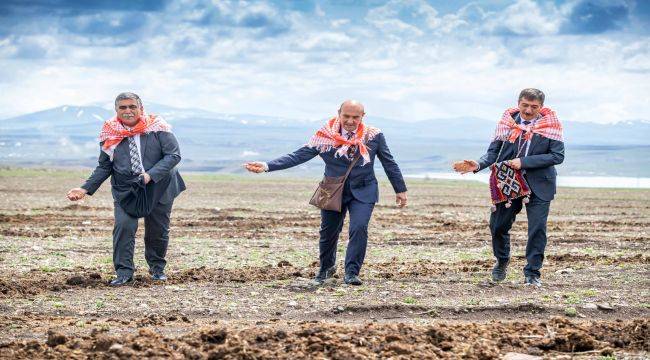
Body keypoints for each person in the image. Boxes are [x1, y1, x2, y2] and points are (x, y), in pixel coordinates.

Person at [245, 100, 408, 286]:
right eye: (346, 116)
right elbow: (298, 155)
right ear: (339, 113)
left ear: (363, 116)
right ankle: (326, 268)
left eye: (355, 117)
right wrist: (267, 166)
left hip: (364, 190)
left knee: (359, 228)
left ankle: (352, 273)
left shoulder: (374, 136)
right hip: (332, 190)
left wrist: (400, 189)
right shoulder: (325, 135)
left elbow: (389, 162)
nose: (350, 121)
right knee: (328, 232)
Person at [67, 92, 186, 286]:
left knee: (157, 230)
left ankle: (157, 269)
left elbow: (173, 156)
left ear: (141, 108)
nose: (128, 111)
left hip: (160, 185)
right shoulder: (110, 133)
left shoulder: (158, 127)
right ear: (116, 110)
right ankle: (124, 273)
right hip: (127, 189)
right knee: (124, 226)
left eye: (132, 106)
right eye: (123, 107)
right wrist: (84, 189)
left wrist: (149, 175)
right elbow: (105, 166)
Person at [452, 88, 564, 287]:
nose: (528, 110)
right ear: (518, 103)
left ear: (541, 107)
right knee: (498, 226)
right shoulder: (506, 123)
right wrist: (477, 164)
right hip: (508, 181)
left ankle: (532, 273)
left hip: (540, 183)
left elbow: (557, 156)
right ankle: (502, 260)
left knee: (537, 229)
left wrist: (524, 162)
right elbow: (492, 153)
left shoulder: (551, 126)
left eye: (534, 107)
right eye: (525, 105)